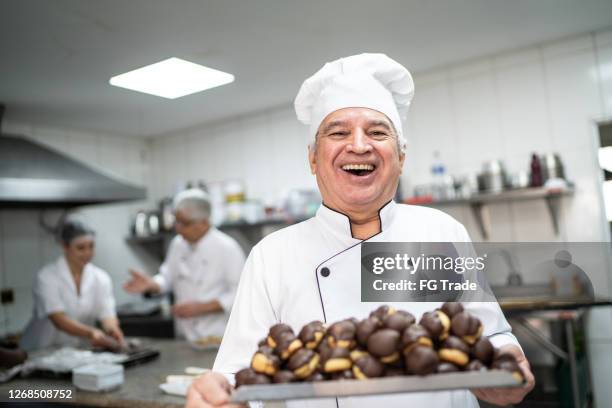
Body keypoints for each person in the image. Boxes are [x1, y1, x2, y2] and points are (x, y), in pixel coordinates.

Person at [186, 53, 535, 408]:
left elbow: (489, 336)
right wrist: (219, 397)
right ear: (312, 158)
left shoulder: (442, 231)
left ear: (401, 157)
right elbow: (240, 374)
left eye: (377, 132)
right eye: (338, 132)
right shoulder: (271, 255)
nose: (358, 145)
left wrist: (509, 362)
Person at [124, 189, 245, 342]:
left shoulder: (227, 248)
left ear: (204, 222)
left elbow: (240, 294)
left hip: (217, 335)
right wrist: (152, 284)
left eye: (185, 223)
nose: (178, 228)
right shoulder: (177, 244)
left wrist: (201, 308)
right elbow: (167, 277)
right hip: (184, 334)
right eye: (177, 221)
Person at [20, 220, 123, 351]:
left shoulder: (101, 278)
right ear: (65, 246)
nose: (88, 253)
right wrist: (91, 333)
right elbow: (58, 320)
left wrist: (112, 330)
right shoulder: (47, 277)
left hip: (78, 351)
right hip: (42, 351)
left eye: (91, 246)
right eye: (81, 248)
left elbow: (107, 314)